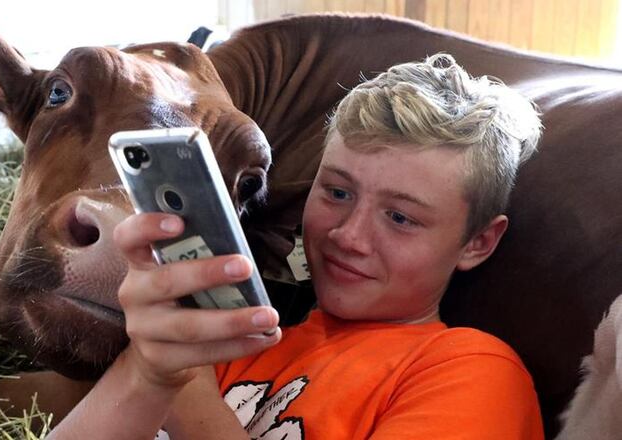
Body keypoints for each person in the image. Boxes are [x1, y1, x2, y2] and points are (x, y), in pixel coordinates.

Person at [48, 53, 544, 439]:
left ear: (478, 242)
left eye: (400, 217)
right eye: (337, 193)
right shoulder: (238, 335)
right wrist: (151, 369)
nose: (347, 236)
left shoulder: (471, 372)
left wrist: (187, 384)